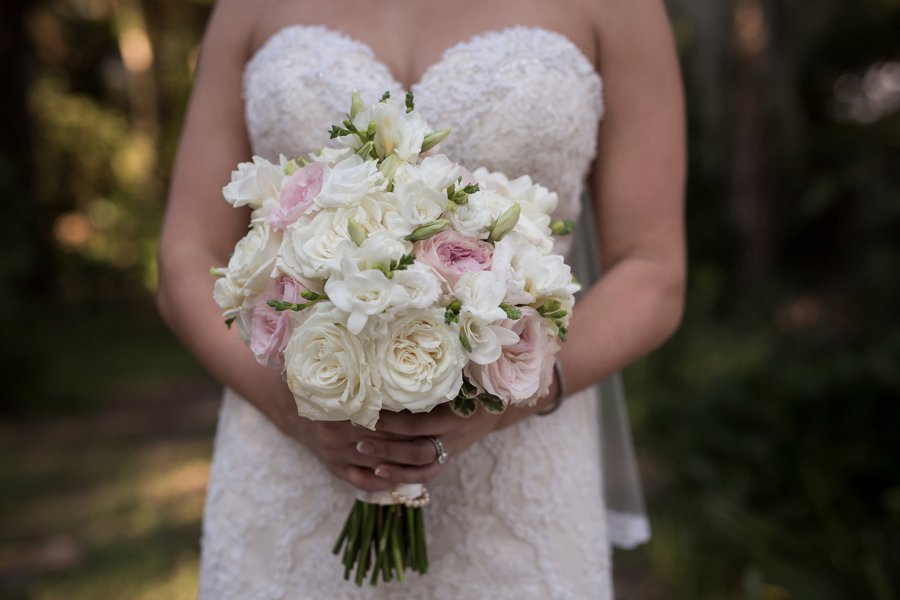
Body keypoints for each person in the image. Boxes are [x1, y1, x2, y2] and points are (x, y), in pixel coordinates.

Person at [157, 0, 685, 597]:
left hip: (514, 471)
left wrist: (503, 402)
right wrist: (290, 410)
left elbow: (653, 268)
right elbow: (185, 252)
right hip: (288, 459)